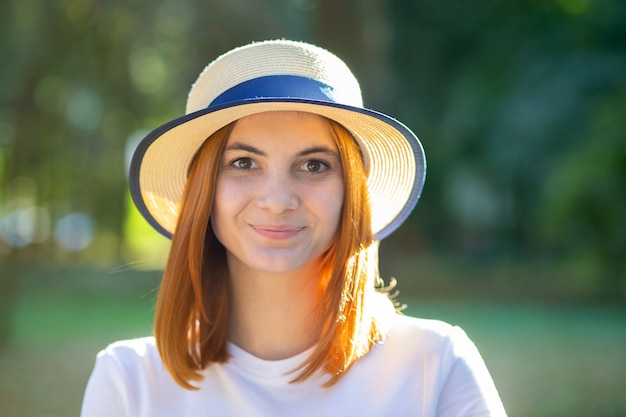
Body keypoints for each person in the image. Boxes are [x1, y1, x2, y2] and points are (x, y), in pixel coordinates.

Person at [81, 39, 507, 417]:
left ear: (351, 193)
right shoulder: (129, 382)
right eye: (243, 163)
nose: (278, 201)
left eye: (314, 165)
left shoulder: (434, 366)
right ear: (202, 191)